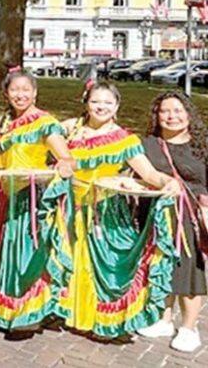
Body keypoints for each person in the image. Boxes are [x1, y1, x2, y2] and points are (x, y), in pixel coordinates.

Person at [58, 81, 180, 338]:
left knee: (110, 265)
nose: (101, 107)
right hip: (71, 208)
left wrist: (167, 182)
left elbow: (148, 172)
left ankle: (108, 319)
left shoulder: (125, 140)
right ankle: (76, 314)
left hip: (107, 212)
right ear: (86, 103)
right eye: (95, 102)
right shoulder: (70, 132)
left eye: (107, 102)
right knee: (74, 262)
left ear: (116, 106)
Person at [0, 68, 75, 332]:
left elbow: (66, 158)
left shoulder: (44, 122)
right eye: (15, 90)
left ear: (35, 93)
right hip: (7, 199)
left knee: (27, 252)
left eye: (25, 90)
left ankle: (30, 311)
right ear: (6, 93)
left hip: (32, 199)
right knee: (8, 251)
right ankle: (7, 307)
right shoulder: (8, 124)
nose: (20, 95)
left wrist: (63, 168)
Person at [136, 91, 207, 352]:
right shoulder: (147, 145)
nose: (172, 116)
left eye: (178, 111)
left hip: (190, 217)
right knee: (160, 266)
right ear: (156, 115)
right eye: (165, 111)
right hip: (156, 216)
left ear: (189, 115)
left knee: (188, 269)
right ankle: (163, 319)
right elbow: (138, 175)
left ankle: (189, 327)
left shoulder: (202, 145)